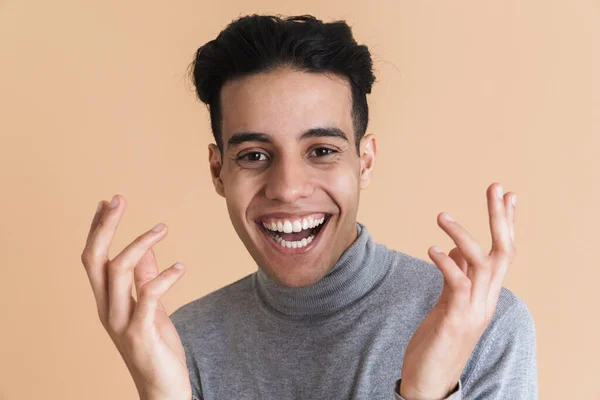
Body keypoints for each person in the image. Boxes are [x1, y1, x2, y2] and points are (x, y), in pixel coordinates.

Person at [80, 14, 538, 400]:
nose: (287, 188)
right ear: (219, 171)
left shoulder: (482, 325)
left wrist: (428, 390)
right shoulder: (183, 342)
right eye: (254, 156)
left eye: (321, 150)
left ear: (365, 162)